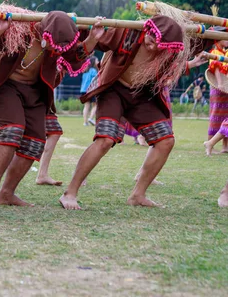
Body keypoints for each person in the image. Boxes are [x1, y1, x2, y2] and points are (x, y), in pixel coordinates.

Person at [60, 15, 189, 210]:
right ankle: (70, 192)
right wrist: (94, 36)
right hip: (114, 90)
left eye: (158, 45)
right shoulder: (126, 33)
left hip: (141, 95)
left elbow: (196, 46)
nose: (152, 46)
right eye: (151, 40)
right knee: (105, 139)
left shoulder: (169, 51)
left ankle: (138, 194)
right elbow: (84, 49)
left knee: (166, 140)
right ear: (148, 30)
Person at [0, 11, 94, 210]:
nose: (57, 50)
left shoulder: (58, 41)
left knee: (36, 142)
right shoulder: (20, 32)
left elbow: (75, 57)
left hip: (35, 92)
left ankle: (7, 193)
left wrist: (93, 38)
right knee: (13, 130)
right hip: (6, 87)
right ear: (43, 31)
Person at [80, 56, 99, 126]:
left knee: (86, 106)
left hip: (83, 90)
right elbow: (96, 80)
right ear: (93, 62)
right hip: (91, 90)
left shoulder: (85, 71)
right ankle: (91, 118)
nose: (98, 62)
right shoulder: (93, 71)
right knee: (95, 105)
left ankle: (85, 122)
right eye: (97, 60)